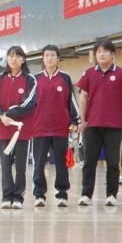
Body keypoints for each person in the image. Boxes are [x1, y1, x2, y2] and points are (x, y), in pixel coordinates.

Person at [76, 39, 122, 208]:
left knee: (113, 162)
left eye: (105, 51)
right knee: (89, 161)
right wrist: (82, 119)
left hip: (114, 125)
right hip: (92, 125)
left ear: (112, 54)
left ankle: (111, 195)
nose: (101, 54)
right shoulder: (88, 73)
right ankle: (86, 195)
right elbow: (83, 96)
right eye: (98, 52)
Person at [29, 45, 80, 209]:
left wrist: (75, 121)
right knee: (38, 163)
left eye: (52, 55)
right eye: (46, 55)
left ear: (58, 59)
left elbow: (71, 101)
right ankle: (39, 194)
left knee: (61, 163)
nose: (49, 58)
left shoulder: (65, 78)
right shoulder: (35, 79)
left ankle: (62, 194)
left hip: (61, 129)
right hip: (39, 129)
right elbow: (29, 104)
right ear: (43, 59)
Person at [0, 46, 37, 211]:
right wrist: (1, 117)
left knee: (21, 166)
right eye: (10, 56)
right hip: (3, 130)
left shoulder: (30, 80)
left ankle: (18, 197)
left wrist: (9, 114)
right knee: (5, 166)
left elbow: (29, 103)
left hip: (22, 132)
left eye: (17, 56)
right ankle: (6, 197)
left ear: (23, 59)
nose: (13, 59)